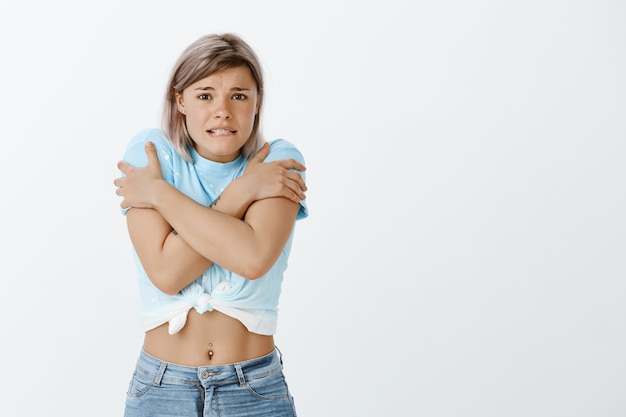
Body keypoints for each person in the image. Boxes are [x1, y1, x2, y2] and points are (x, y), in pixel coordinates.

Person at [113, 33, 308, 417]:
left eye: (239, 95)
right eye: (205, 95)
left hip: (253, 390)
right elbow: (167, 273)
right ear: (180, 100)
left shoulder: (278, 160)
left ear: (257, 102)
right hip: (161, 389)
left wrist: (158, 194)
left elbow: (252, 257)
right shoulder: (151, 153)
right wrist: (243, 192)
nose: (222, 111)